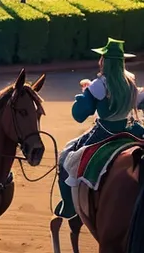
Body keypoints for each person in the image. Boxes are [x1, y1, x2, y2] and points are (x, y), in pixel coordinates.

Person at [54, 37, 144, 219]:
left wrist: (85, 93)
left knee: (66, 157)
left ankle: (68, 207)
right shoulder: (131, 82)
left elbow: (79, 114)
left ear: (103, 61)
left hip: (105, 132)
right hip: (132, 129)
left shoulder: (100, 84)